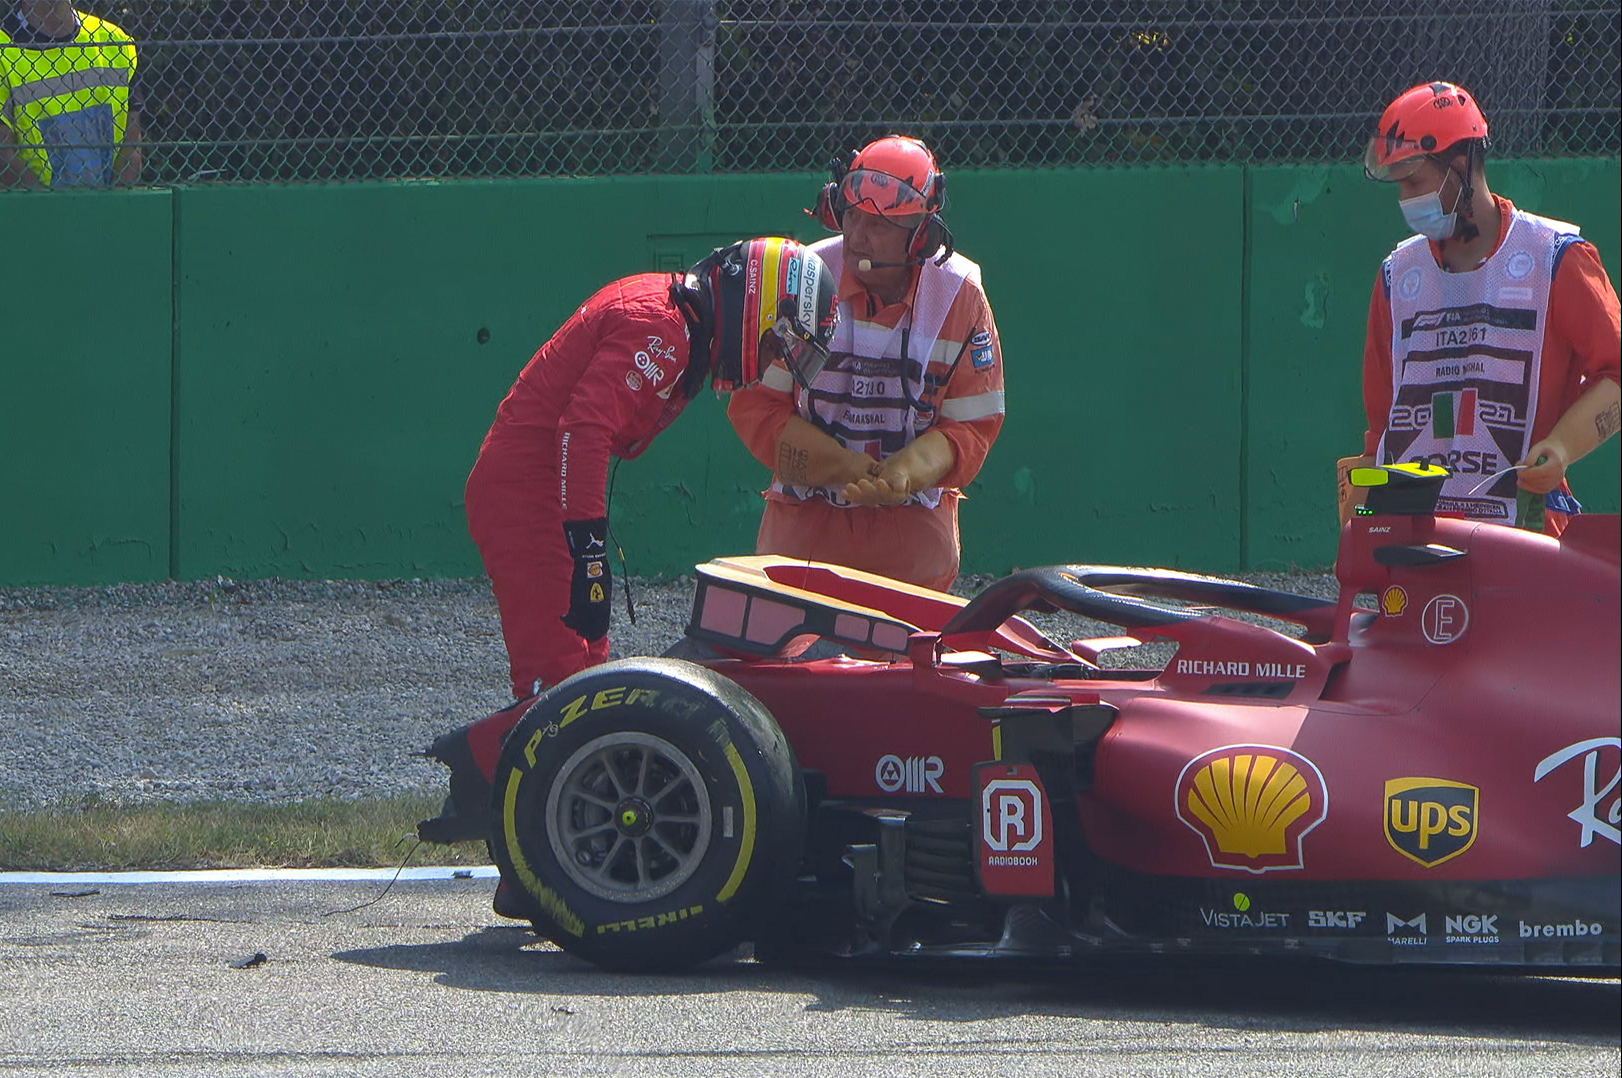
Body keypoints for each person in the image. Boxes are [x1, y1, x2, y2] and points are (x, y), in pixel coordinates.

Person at [418, 237, 838, 858]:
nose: (772, 358)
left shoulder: (672, 318)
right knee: (563, 687)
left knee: (589, 677)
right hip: (530, 495)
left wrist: (587, 549)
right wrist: (588, 551)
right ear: (754, 306)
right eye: (777, 341)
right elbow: (582, 430)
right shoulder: (664, 327)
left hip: (541, 491)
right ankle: (485, 787)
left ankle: (547, 848)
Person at [726, 135, 1006, 590]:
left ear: (922, 236)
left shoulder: (961, 296)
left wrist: (905, 475)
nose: (856, 236)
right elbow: (756, 407)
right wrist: (845, 468)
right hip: (805, 530)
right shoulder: (800, 277)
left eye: (878, 226)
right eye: (851, 217)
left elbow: (972, 427)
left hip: (912, 538)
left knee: (911, 660)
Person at [1351, 81, 1620, 534]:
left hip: (1523, 535)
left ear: (1462, 163)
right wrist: (1362, 518)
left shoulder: (1555, 259)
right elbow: (1382, 424)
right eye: (1399, 186)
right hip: (1414, 535)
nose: (1405, 200)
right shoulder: (1397, 275)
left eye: (1414, 182)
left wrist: (1562, 447)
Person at [0, 0, 141, 187]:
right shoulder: (4, 50)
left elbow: (132, 145)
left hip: (109, 206)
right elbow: (4, 158)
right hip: (36, 212)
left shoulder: (115, 42)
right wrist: (57, 212)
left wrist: (115, 207)